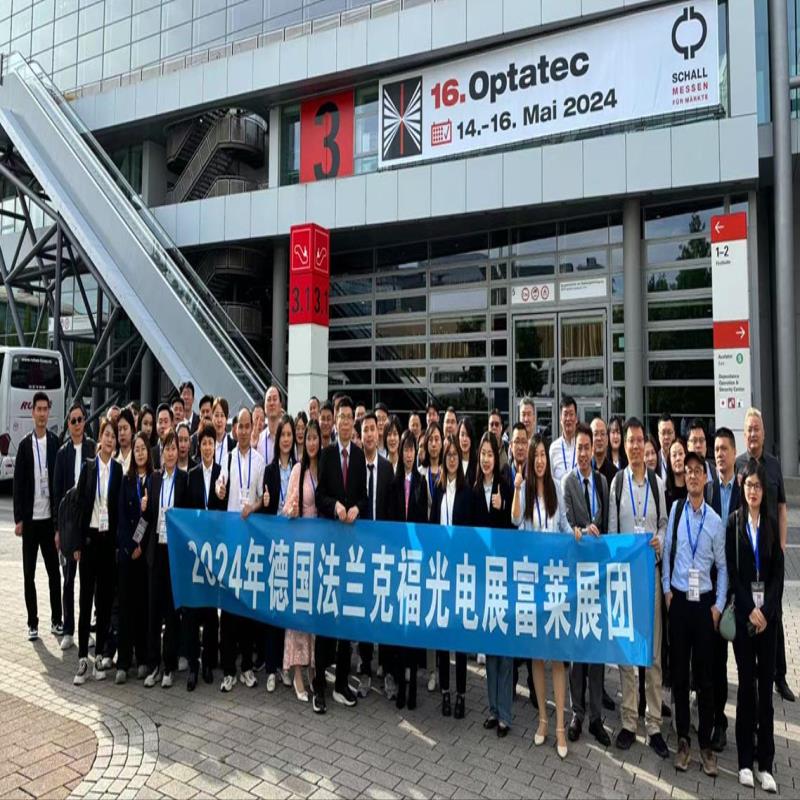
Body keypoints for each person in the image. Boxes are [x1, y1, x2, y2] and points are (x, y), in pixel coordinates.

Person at [662, 450, 727, 776]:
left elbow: (723, 567)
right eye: (687, 471)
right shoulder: (676, 511)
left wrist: (718, 605)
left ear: (705, 477)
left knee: (705, 677)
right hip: (679, 603)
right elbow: (667, 552)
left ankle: (705, 744)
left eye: (697, 471)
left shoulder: (714, 521)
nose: (692, 476)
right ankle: (683, 741)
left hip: (703, 605)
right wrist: (666, 590)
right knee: (680, 675)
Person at [608, 418, 668, 759]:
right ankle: (629, 721)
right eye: (629, 441)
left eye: (638, 441)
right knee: (627, 653)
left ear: (646, 445)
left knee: (653, 652)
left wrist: (660, 538)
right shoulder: (618, 484)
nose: (633, 446)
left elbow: (663, 523)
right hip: (625, 580)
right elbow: (612, 533)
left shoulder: (657, 484)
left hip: (651, 577)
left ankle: (654, 723)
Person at [511, 434, 571, 758]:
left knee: (557, 657)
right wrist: (517, 487)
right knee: (537, 655)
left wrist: (577, 533)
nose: (539, 460)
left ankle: (560, 725)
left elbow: (564, 528)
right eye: (535, 455)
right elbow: (515, 520)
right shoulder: (525, 490)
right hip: (533, 584)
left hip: (556, 582)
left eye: (543, 455)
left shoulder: (556, 489)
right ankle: (543, 721)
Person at [727, 459, 782, 793]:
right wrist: (750, 610)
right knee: (747, 687)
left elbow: (777, 575)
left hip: (768, 621)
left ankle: (767, 763)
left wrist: (767, 611)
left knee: (766, 692)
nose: (753, 491)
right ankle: (745, 761)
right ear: (742, 487)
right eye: (748, 485)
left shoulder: (771, 524)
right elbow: (733, 574)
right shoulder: (734, 523)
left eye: (758, 486)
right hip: (746, 619)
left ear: (764, 490)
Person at [734, 408, 794, 703]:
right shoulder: (739, 465)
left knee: (774, 615)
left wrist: (781, 546)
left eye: (757, 428)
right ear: (744, 434)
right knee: (749, 614)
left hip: (770, 557)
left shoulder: (774, 464)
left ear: (764, 432)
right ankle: (753, 676)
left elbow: (782, 507)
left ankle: (778, 676)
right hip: (748, 557)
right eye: (749, 429)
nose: (753, 434)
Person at [313, 395, 366, 713]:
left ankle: (342, 683)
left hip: (351, 551)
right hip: (329, 549)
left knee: (346, 618)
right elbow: (320, 495)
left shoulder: (358, 456)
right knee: (326, 618)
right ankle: (319, 684)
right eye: (341, 417)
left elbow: (364, 497)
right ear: (334, 422)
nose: (345, 421)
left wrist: (357, 507)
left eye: (349, 417)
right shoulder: (328, 455)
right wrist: (335, 506)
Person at [562, 423, 611, 747]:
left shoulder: (602, 482)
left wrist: (598, 531)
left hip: (599, 577)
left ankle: (596, 717)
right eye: (578, 448)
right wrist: (579, 531)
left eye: (587, 448)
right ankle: (576, 713)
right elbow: (566, 522)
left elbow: (607, 525)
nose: (583, 453)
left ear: (593, 450)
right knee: (577, 648)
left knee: (596, 648)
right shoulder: (567, 483)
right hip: (576, 576)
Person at [218, 407, 266, 692]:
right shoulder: (227, 458)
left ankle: (247, 666)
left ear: (252, 428)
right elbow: (220, 486)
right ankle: (228, 670)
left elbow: (261, 498)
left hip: (250, 543)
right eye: (241, 426)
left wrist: (254, 506)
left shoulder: (259, 461)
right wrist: (220, 490)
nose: (245, 431)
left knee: (247, 607)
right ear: (235, 429)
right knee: (228, 609)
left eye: (249, 426)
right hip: (230, 543)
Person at [73, 418, 123, 684]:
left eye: (113, 436)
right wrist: (77, 544)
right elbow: (80, 506)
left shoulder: (118, 470)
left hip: (107, 543)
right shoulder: (89, 467)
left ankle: (101, 655)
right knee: (85, 600)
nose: (110, 440)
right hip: (90, 540)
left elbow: (118, 509)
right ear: (100, 438)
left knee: (103, 603)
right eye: (107, 435)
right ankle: (83, 657)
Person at [472, 432, 513, 737]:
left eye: (491, 453)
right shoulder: (474, 489)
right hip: (483, 577)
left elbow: (513, 526)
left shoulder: (505, 486)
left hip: (503, 575)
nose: (486, 459)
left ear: (497, 456)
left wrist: (504, 505)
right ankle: (493, 709)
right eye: (483, 453)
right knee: (490, 643)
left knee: (504, 646)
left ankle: (506, 715)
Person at [429, 434, 472, 719]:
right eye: (449, 455)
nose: (452, 459)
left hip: (461, 570)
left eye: (456, 455)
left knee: (460, 638)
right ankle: (445, 691)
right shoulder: (438, 488)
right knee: (444, 635)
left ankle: (461, 695)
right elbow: (432, 526)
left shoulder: (468, 492)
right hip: (441, 571)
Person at [13, 391, 61, 642]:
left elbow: (59, 482)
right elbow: (18, 485)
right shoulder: (24, 445)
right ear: (32, 413)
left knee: (55, 573)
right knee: (29, 575)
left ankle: (57, 620)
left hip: (49, 521)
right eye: (38, 409)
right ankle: (32, 623)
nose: (42, 414)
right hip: (31, 522)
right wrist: (19, 519)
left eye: (45, 409)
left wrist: (59, 524)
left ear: (48, 412)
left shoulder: (54, 442)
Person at [143, 430, 188, 688]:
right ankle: (154, 665)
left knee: (172, 611)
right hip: (156, 550)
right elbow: (148, 517)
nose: (170, 453)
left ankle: (169, 666)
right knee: (153, 609)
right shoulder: (154, 479)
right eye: (166, 448)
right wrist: (144, 507)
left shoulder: (184, 479)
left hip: (175, 552)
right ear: (160, 452)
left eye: (173, 448)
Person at [281, 419, 322, 703]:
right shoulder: (298, 470)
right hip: (301, 551)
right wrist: (291, 510)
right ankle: (297, 673)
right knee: (298, 614)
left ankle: (314, 669)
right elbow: (287, 508)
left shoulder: (326, 468)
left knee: (316, 614)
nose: (311, 443)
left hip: (322, 552)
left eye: (315, 438)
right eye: (307, 438)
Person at [183, 425, 225, 691]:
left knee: (211, 609)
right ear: (199, 447)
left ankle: (209, 661)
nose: (208, 447)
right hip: (195, 551)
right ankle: (193, 664)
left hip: (215, 550)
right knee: (192, 609)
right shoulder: (192, 475)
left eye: (211, 443)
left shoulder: (223, 473)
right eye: (204, 443)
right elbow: (187, 512)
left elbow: (225, 509)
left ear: (215, 446)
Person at [388, 430, 427, 710]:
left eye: (413, 449)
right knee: (399, 628)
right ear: (401, 452)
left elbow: (425, 523)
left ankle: (413, 684)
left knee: (412, 627)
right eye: (406, 449)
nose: (409, 454)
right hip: (397, 561)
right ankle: (400, 683)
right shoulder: (393, 483)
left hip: (416, 561)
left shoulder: (422, 483)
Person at [707, 426, 740, 751]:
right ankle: (719, 721)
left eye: (724, 449)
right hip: (716, 587)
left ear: (734, 452)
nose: (719, 454)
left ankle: (750, 725)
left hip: (741, 588)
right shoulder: (708, 490)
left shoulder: (746, 489)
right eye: (716, 449)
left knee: (746, 662)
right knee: (717, 661)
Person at [357, 412, 395, 698]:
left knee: (384, 611)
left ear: (378, 433)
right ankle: (365, 671)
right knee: (364, 612)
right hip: (360, 551)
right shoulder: (355, 467)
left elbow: (391, 513)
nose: (369, 434)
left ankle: (388, 671)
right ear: (360, 436)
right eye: (365, 430)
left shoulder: (387, 468)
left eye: (373, 429)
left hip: (382, 552)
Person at [53, 401, 96, 651]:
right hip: (69, 524)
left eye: (80, 419)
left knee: (87, 582)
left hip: (88, 523)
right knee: (68, 579)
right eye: (73, 421)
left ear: (85, 421)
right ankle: (68, 630)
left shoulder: (93, 448)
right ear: (68, 425)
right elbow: (57, 494)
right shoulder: (62, 454)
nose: (77, 424)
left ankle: (85, 630)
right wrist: (57, 530)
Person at [260, 414, 296, 692]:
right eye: (282, 435)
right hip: (274, 546)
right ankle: (270, 667)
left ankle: (286, 666)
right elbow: (264, 508)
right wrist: (265, 502)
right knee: (273, 607)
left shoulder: (299, 469)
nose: (286, 439)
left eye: (289, 435)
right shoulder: (269, 470)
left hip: (294, 546)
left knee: (287, 609)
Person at [115, 431, 152, 684]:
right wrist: (130, 546)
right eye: (136, 449)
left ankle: (142, 658)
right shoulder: (126, 480)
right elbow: (120, 516)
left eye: (143, 448)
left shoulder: (154, 479)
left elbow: (152, 518)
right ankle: (123, 661)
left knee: (142, 608)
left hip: (145, 554)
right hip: (128, 554)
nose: (139, 453)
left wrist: (141, 544)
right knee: (126, 607)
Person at [419, 421, 443, 693]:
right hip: (425, 551)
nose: (434, 444)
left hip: (445, 551)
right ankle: (431, 668)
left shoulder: (449, 472)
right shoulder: (421, 474)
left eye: (438, 439)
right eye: (430, 439)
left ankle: (441, 666)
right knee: (428, 608)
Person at [549, 396, 578, 484]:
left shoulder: (582, 446)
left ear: (576, 418)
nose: (568, 418)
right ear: (560, 419)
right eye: (565, 414)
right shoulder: (554, 448)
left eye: (571, 414)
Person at [257, 385, 283, 466]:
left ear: (280, 405)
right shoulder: (259, 440)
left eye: (275, 399)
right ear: (264, 406)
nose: (272, 403)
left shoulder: (287, 438)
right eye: (269, 400)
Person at [590, 417, 618, 489]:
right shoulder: (583, 469)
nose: (599, 438)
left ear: (607, 440)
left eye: (602, 434)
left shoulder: (615, 474)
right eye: (595, 434)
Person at [687, 419, 717, 484]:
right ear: (687, 446)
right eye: (694, 441)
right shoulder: (682, 473)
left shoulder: (716, 472)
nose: (698, 445)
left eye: (701, 440)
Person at [211, 397, 234, 477]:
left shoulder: (234, 446)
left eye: (222, 415)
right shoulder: (206, 444)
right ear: (212, 417)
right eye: (216, 415)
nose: (219, 420)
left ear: (227, 418)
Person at [666, 438, 688, 511]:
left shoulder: (692, 491)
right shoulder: (665, 495)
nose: (678, 458)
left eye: (681, 454)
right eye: (674, 455)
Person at [151, 403, 173, 469]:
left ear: (172, 423)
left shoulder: (178, 449)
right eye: (160, 422)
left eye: (166, 422)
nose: (163, 426)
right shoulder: (151, 453)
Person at [457, 416, 477, 487]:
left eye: (468, 435)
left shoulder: (477, 464)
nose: (465, 439)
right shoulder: (454, 462)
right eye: (462, 435)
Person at [657, 413, 676, 481]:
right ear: (658, 435)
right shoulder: (654, 460)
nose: (666, 437)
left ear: (674, 434)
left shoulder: (681, 459)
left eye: (669, 432)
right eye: (663, 433)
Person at [116, 408, 135, 474]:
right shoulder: (113, 458)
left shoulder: (137, 457)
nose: (122, 433)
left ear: (132, 430)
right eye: (119, 429)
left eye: (125, 428)